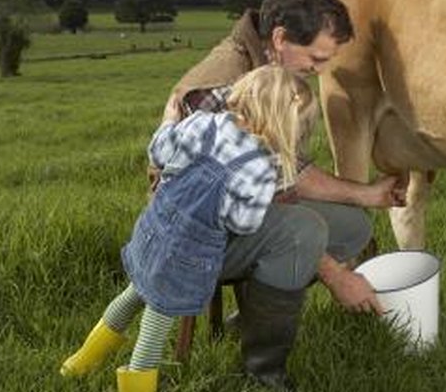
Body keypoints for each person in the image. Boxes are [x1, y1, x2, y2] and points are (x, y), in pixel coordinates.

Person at [146, 0, 406, 390]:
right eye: (316, 59)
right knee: (303, 231)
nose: (320, 72)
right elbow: (251, 201)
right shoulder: (226, 85)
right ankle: (263, 372)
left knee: (352, 225)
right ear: (281, 38)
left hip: (233, 213)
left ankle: (254, 314)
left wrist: (368, 195)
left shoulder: (270, 71)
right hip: (191, 238)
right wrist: (337, 276)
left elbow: (290, 171)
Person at [60, 65, 316, 391]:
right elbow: (244, 223)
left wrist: (169, 120)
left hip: (153, 232)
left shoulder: (202, 123)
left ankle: (80, 363)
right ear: (291, 125)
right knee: (154, 329)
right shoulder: (261, 169)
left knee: (131, 295)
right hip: (186, 257)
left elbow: (159, 152)